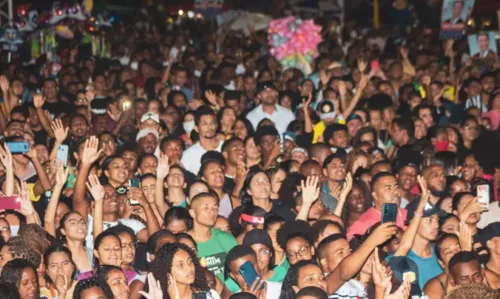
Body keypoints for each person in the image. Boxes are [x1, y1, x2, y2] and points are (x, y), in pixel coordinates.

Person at [188, 192, 238, 281]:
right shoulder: (184, 242)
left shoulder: (226, 238)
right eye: (206, 208)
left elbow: (239, 270)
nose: (212, 211)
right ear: (192, 213)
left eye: (215, 208)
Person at [151, 242, 220, 299]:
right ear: (167, 271)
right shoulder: (158, 297)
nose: (189, 268)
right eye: (180, 265)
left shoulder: (209, 296)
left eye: (190, 262)